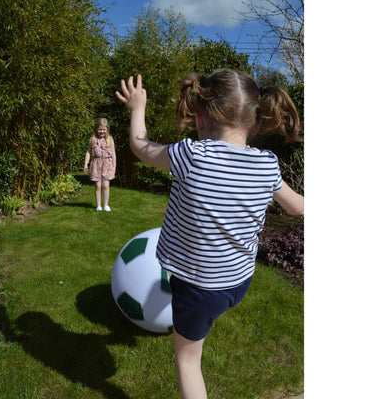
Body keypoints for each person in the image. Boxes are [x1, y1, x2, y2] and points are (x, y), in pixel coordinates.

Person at [116, 70, 304, 399]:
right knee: (207, 318)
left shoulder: (191, 156)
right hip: (238, 281)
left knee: (188, 361)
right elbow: (297, 207)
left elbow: (139, 146)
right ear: (256, 124)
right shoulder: (268, 165)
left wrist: (137, 108)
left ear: (199, 118)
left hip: (199, 287)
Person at [84, 118, 116, 211]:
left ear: (107, 129)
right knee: (98, 186)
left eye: (103, 129)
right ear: (96, 129)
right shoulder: (93, 139)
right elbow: (88, 153)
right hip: (96, 164)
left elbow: (113, 154)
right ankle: (98, 205)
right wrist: (86, 164)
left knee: (105, 185)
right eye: (99, 129)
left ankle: (106, 205)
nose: (102, 131)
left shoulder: (110, 139)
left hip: (107, 164)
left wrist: (114, 166)